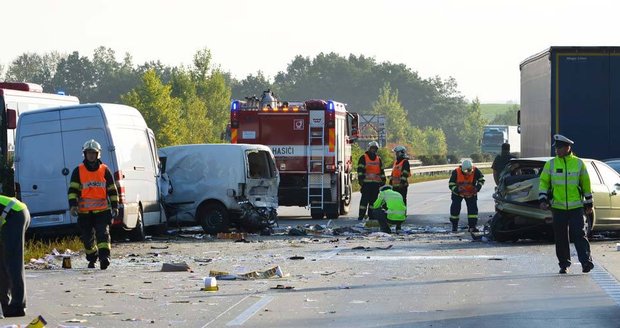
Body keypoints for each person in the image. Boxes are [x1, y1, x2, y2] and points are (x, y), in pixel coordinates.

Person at [539, 134, 594, 274]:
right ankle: (564, 264)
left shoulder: (578, 163)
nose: (556, 150)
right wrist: (543, 199)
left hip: (576, 207)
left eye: (559, 148)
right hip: (558, 207)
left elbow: (586, 184)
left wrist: (589, 204)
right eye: (556, 148)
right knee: (561, 237)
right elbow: (544, 183)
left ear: (568, 148)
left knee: (579, 235)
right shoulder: (550, 164)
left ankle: (586, 262)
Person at [68, 139, 119, 270]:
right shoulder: (78, 171)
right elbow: (72, 190)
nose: (91, 155)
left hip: (102, 211)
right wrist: (73, 206)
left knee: (103, 235)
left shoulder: (104, 170)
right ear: (85, 154)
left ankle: (104, 258)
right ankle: (92, 258)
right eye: (89, 153)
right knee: (87, 239)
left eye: (93, 153)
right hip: (85, 213)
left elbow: (112, 190)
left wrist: (115, 206)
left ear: (98, 154)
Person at [0, 196, 30, 318]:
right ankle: (4, 305)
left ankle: (18, 306)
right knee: (2, 262)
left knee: (13, 261)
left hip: (15, 214)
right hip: (11, 214)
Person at [448, 159, 485, 232]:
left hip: (471, 193)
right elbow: (451, 184)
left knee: (473, 210)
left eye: (469, 172)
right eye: (466, 172)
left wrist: (477, 188)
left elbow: (481, 180)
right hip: (458, 193)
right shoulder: (456, 172)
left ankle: (472, 227)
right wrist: (458, 190)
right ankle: (454, 226)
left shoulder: (475, 170)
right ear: (462, 169)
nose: (468, 173)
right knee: (455, 208)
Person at [357, 141, 386, 220]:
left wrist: (383, 180)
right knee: (364, 201)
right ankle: (361, 216)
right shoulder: (363, 157)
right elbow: (360, 170)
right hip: (366, 184)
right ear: (369, 148)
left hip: (376, 184)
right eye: (372, 148)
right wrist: (361, 181)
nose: (373, 150)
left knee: (373, 202)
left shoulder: (378, 159)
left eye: (375, 149)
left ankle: (371, 215)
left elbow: (381, 171)